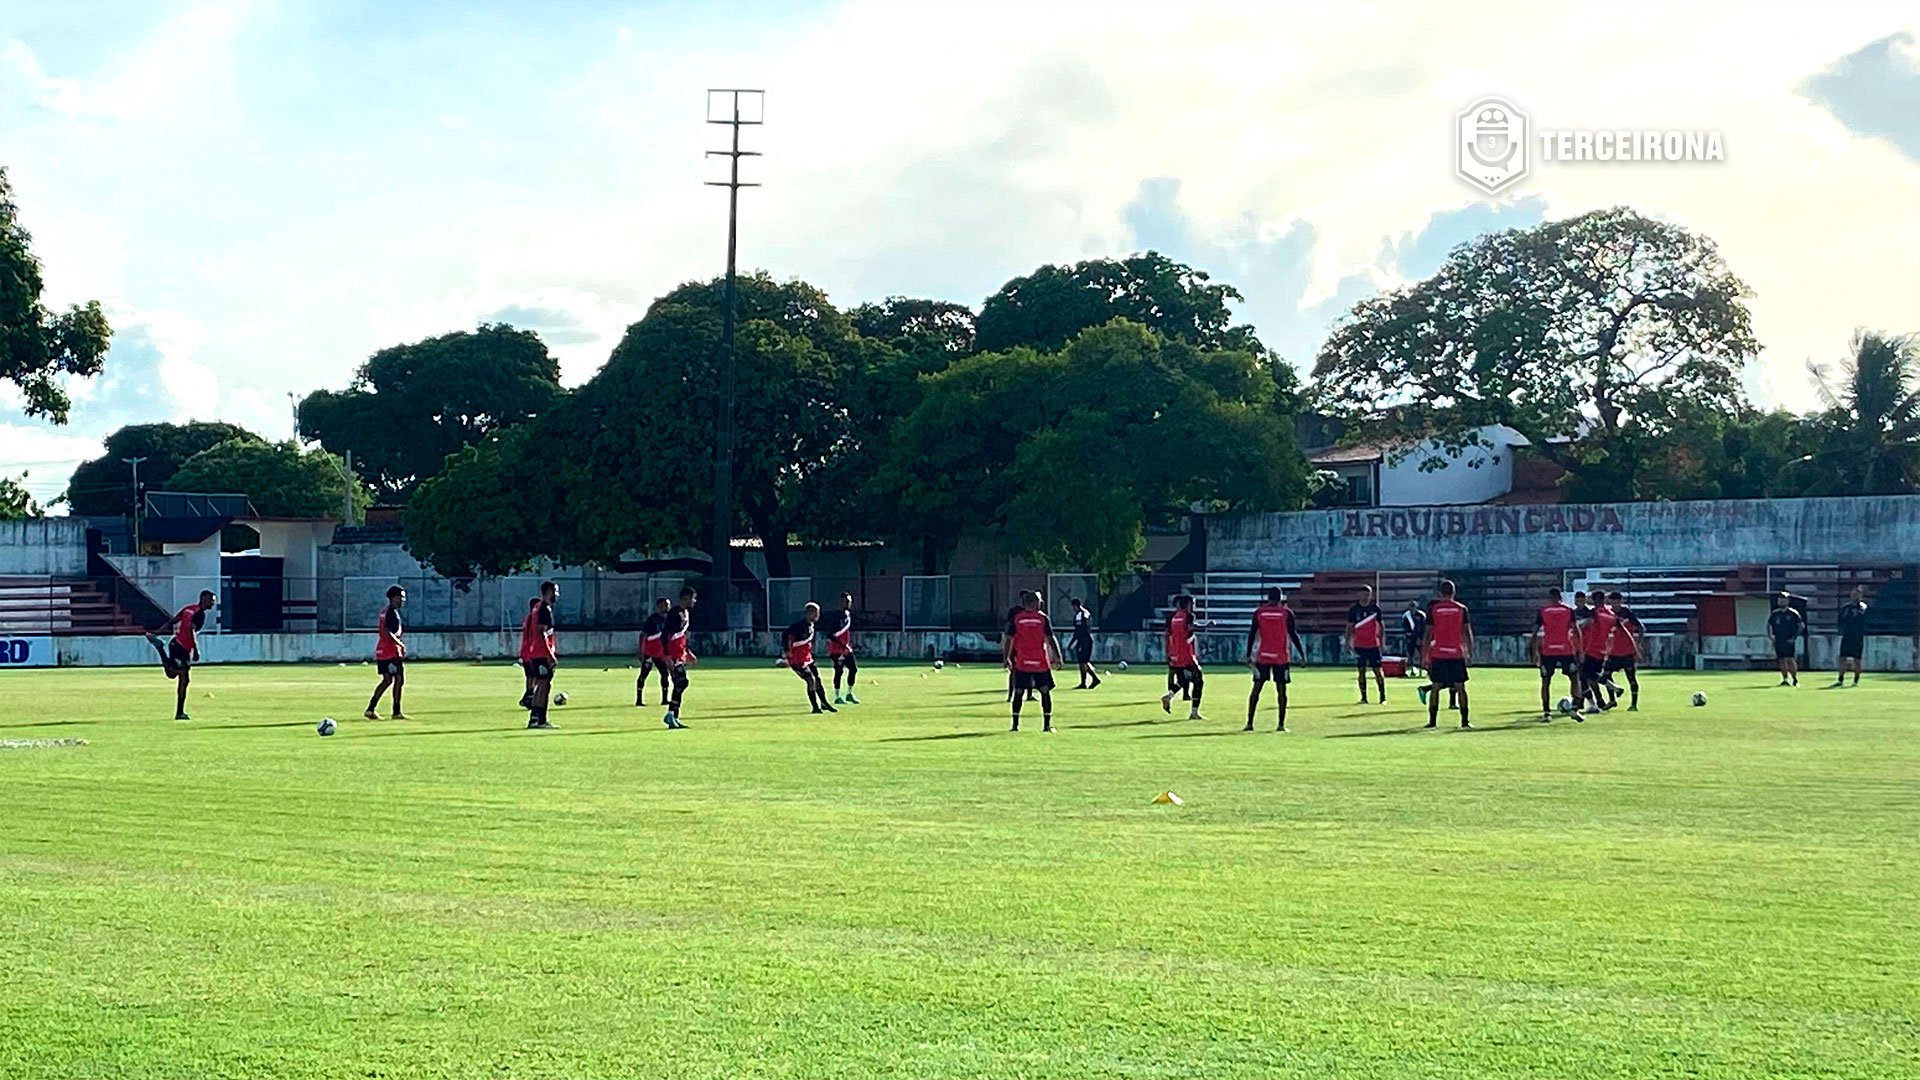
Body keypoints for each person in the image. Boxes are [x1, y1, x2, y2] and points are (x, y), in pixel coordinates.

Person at [146, 589, 216, 721]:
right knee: (180, 676)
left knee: (174, 674)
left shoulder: (189, 608)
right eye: (211, 600)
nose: (213, 603)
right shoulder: (199, 614)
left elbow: (174, 620)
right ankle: (179, 713)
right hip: (182, 648)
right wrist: (196, 649)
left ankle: (180, 712)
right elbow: (192, 630)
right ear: (204, 599)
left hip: (176, 644)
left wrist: (157, 632)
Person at [1246, 587, 1307, 732]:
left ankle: (1249, 723)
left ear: (1268, 597)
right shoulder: (1286, 613)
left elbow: (1252, 634)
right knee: (1281, 691)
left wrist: (1248, 654)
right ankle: (1281, 724)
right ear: (1281, 598)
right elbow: (1293, 634)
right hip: (1281, 657)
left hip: (1263, 656)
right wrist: (1302, 655)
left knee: (1256, 689)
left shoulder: (1259, 612)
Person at [1002, 590, 1062, 732]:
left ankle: (1015, 725)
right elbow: (1050, 638)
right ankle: (1047, 725)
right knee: (1045, 691)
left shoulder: (1017, 619)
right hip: (1040, 661)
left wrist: (1006, 658)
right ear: (1036, 603)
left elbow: (1009, 640)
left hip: (1022, 661)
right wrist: (1058, 656)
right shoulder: (1043, 619)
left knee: (1018, 692)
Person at [1423, 580, 1473, 730]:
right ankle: (1464, 721)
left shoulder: (1434, 609)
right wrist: (1470, 652)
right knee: (1460, 687)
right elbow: (1467, 632)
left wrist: (1425, 655)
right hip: (1456, 653)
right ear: (1453, 592)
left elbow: (1427, 634)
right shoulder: (1461, 609)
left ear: (1440, 592)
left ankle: (1432, 721)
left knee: (1436, 686)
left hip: (1438, 653)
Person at [1533, 585, 1580, 721]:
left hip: (1548, 651)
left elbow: (1535, 632)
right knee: (1574, 679)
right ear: (1560, 597)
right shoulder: (1568, 610)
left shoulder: (1543, 611)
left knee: (1546, 682)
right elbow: (1576, 630)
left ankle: (1546, 713)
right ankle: (1575, 708)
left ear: (1550, 598)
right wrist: (1580, 650)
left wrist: (1535, 652)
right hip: (1566, 649)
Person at [519, 580, 560, 730]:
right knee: (544, 685)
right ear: (549, 591)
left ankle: (535, 718)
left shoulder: (537, 607)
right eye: (555, 591)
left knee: (542, 684)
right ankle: (540, 719)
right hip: (541, 653)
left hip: (535, 653)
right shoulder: (544, 608)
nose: (557, 595)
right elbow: (541, 632)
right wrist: (550, 655)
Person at [783, 602, 836, 714]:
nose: (818, 615)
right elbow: (785, 635)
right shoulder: (798, 626)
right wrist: (787, 651)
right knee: (810, 680)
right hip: (797, 660)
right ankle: (815, 707)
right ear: (809, 613)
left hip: (807, 658)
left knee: (817, 679)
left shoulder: (811, 625)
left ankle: (824, 703)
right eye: (816, 613)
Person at [364, 585, 408, 720]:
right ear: (394, 597)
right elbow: (387, 632)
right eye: (401, 597)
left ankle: (371, 709)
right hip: (391, 652)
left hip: (383, 651)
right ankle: (396, 711)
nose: (402, 600)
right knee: (398, 679)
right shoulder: (391, 613)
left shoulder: (386, 612)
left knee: (387, 680)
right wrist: (399, 643)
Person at [1160, 594, 1205, 720]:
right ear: (1188, 605)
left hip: (1175, 654)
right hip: (1186, 654)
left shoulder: (1171, 618)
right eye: (1193, 604)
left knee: (1183, 681)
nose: (1194, 607)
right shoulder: (1188, 616)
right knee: (1199, 680)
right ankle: (1194, 712)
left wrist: (1167, 653)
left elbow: (1167, 635)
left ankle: (1168, 696)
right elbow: (1191, 628)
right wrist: (1206, 625)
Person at [1577, 593, 1620, 714]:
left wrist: (1574, 627)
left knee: (1583, 675)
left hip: (1590, 648)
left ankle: (1608, 690)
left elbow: (1586, 625)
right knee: (1591, 676)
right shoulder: (1611, 615)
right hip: (1602, 649)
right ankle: (1598, 702)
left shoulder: (1594, 613)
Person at [661, 586, 697, 729]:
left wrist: (688, 651)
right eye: (693, 598)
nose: (694, 601)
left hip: (680, 652)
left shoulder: (685, 613)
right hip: (673, 653)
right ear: (686, 597)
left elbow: (682, 635)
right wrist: (667, 656)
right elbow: (666, 634)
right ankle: (670, 714)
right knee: (682, 682)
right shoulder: (675, 613)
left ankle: (674, 717)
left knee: (679, 683)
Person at [1604, 591, 1645, 711]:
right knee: (1605, 676)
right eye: (1612, 602)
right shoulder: (1608, 614)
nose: (1615, 604)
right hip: (1613, 652)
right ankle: (1612, 700)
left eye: (1617, 602)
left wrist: (1638, 643)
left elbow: (1641, 627)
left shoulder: (1627, 613)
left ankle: (1633, 704)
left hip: (1627, 652)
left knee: (1631, 678)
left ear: (1620, 601)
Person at [1347, 584, 1386, 704]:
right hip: (1360, 645)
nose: (1366, 596)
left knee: (1378, 671)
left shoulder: (1375, 609)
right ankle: (1364, 698)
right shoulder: (1354, 610)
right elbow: (1349, 626)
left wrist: (1382, 641)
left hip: (1373, 644)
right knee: (1361, 671)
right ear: (1359, 594)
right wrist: (1348, 641)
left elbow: (1382, 626)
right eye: (1364, 593)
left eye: (1368, 593)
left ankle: (1382, 697)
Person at [823, 592, 860, 705]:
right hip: (836, 649)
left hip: (846, 649)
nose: (848, 603)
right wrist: (841, 644)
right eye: (845, 601)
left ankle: (849, 693)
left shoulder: (848, 615)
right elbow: (830, 634)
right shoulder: (835, 616)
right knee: (838, 672)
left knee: (853, 669)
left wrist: (847, 645)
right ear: (841, 602)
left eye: (849, 601)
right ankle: (837, 696)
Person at [636, 597, 672, 706]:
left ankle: (665, 699)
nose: (665, 607)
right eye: (663, 605)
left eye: (667, 605)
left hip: (661, 653)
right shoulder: (652, 619)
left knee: (665, 674)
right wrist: (641, 650)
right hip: (650, 652)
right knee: (644, 674)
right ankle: (639, 699)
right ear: (658, 607)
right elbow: (643, 634)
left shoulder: (671, 619)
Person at [1769, 591, 1806, 687]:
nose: (1781, 601)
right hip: (1779, 639)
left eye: (1783, 599)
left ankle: (1795, 679)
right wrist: (1771, 636)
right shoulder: (1775, 613)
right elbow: (1769, 625)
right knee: (1781, 660)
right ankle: (1785, 679)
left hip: (1789, 639)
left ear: (1787, 601)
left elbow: (1801, 625)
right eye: (1779, 599)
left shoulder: (1793, 613)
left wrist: (1794, 637)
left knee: (1790, 659)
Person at [1836, 586, 1867, 687]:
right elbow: (1840, 620)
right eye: (1853, 594)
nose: (1855, 596)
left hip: (1857, 637)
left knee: (1857, 659)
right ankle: (1840, 679)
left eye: (1857, 594)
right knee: (1842, 658)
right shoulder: (1845, 608)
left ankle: (1856, 680)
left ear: (1861, 596)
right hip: (1847, 636)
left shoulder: (1864, 608)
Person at [1069, 597, 1100, 689]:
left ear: (1075, 606)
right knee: (1084, 662)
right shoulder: (1087, 613)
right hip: (1087, 639)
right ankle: (1093, 679)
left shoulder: (1079, 614)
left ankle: (1085, 682)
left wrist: (1072, 642)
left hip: (1083, 640)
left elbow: (1079, 629)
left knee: (1082, 662)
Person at [1400, 599, 1428, 674]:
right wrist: (1408, 635)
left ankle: (1422, 669)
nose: (1412, 608)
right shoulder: (1406, 615)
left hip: (1419, 637)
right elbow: (1405, 626)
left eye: (1414, 606)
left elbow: (1424, 626)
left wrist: (1421, 637)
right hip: (1410, 637)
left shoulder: (1421, 615)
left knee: (1422, 653)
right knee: (1410, 654)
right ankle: (1411, 669)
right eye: (1411, 606)